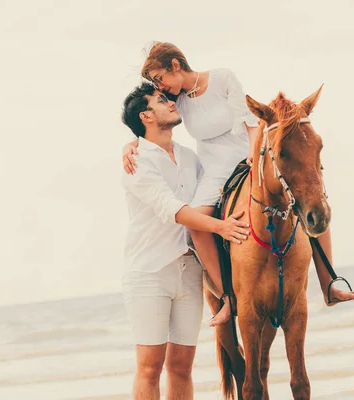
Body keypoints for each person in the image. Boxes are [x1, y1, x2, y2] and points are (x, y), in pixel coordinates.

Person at [123, 42, 354, 308]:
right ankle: (228, 297)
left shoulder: (222, 78)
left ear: (175, 65)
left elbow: (248, 120)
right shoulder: (176, 100)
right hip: (213, 171)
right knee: (196, 226)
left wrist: (253, 155)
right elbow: (152, 121)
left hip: (246, 157)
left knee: (311, 198)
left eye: (159, 78)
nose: (160, 86)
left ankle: (329, 283)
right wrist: (132, 144)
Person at [120, 82, 249, 399]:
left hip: (190, 271)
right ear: (146, 116)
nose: (171, 103)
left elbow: (218, 186)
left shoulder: (190, 157)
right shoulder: (138, 162)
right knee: (149, 367)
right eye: (161, 101)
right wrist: (219, 227)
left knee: (181, 366)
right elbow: (174, 210)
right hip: (150, 273)